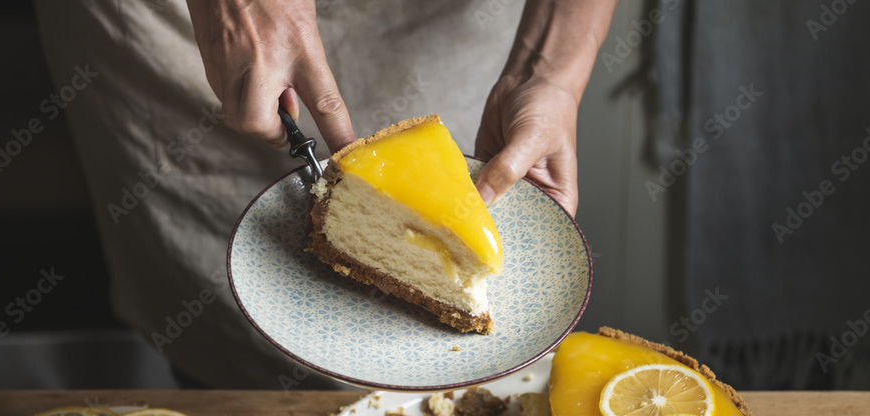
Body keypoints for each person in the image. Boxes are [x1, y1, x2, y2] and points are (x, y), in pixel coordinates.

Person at [32, 0, 618, 389]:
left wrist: (547, 68)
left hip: (443, 25)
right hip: (181, 25)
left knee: (450, 387)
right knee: (226, 349)